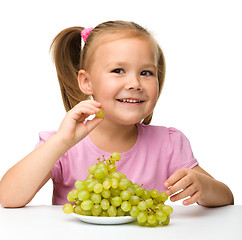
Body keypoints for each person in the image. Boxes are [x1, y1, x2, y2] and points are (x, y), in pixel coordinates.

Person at [0, 20, 234, 208]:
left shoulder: (169, 143)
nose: (135, 83)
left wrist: (204, 186)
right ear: (86, 82)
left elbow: (226, 198)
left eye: (146, 72)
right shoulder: (62, 145)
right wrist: (60, 142)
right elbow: (8, 198)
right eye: (118, 70)